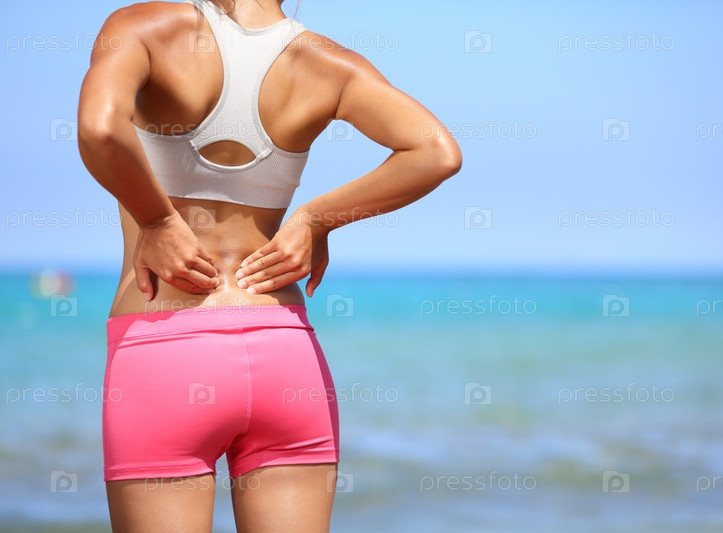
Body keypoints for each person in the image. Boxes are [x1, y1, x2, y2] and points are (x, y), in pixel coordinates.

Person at [77, 0, 461, 531]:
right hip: (287, 356)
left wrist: (159, 222)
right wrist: (317, 219)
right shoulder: (328, 62)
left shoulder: (142, 27)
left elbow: (99, 130)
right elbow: (436, 152)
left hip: (167, 345)